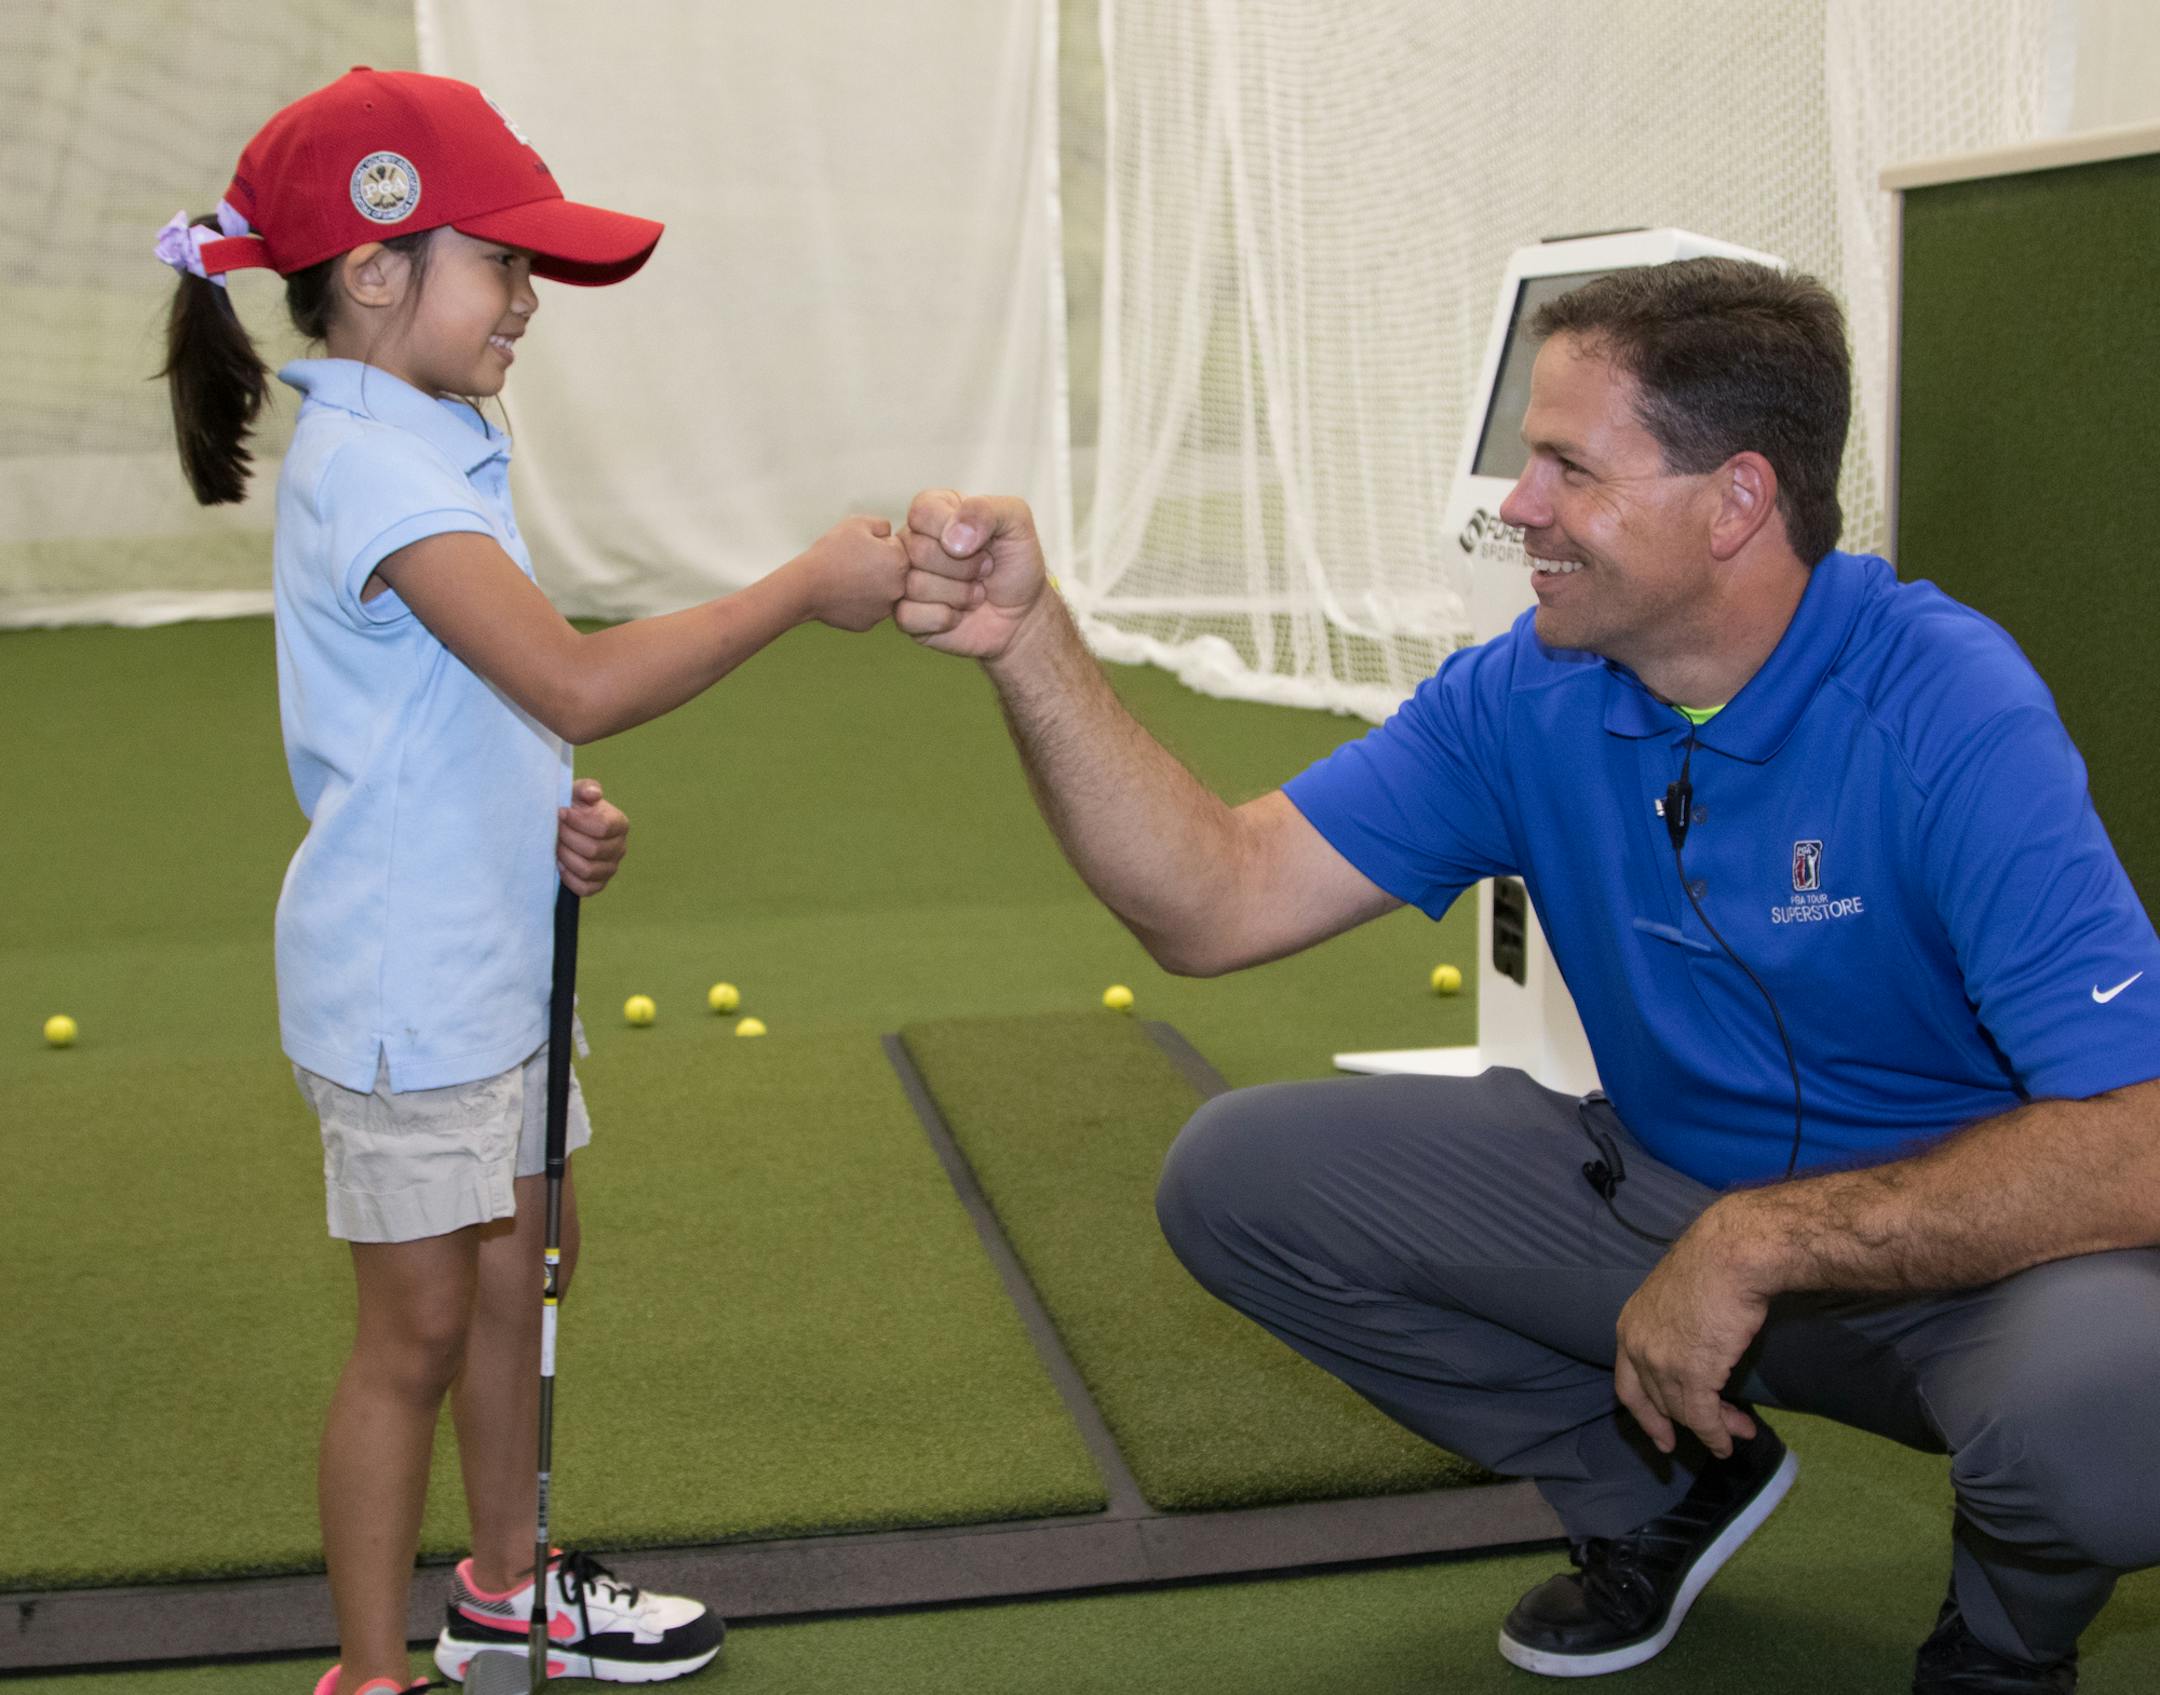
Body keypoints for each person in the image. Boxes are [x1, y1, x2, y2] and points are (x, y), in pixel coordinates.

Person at [894, 259, 2160, 1692]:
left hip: (1964, 1264)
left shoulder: (1949, 702)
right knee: (1241, 1180)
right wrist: (1030, 645)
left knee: (2116, 1414)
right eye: (1526, 461)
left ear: (1737, 500)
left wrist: (1758, 1244)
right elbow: (1215, 900)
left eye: (1569, 466)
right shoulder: (1530, 690)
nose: (1519, 506)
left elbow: (2139, 1139)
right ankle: (1661, 1494)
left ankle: (2002, 1644)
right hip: (1662, 1204)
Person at [156, 68, 906, 1695]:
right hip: (404, 988)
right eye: (503, 264)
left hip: (484, 949)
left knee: (522, 1267)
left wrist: (552, 819)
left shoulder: (426, 428)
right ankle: (371, 1672)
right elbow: (567, 677)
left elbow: (482, 713)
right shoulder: (372, 464)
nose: (529, 302)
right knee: (413, 1334)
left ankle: (504, 1589)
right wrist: (802, 586)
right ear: (375, 268)